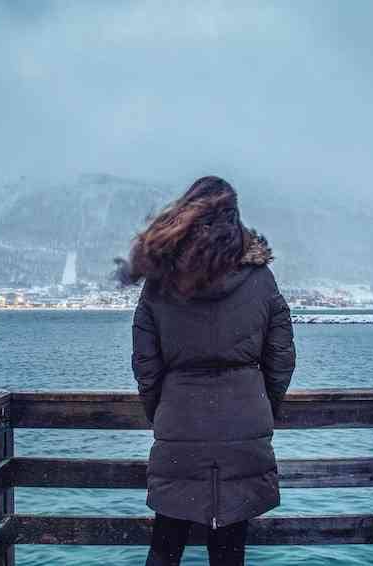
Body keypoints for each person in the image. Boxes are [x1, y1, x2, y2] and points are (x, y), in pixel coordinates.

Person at [115, 176, 297, 566]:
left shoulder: (160, 281)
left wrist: (162, 411)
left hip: (179, 425)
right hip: (244, 426)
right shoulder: (261, 279)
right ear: (234, 219)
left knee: (166, 545)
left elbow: (145, 366)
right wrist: (261, 407)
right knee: (230, 550)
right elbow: (281, 357)